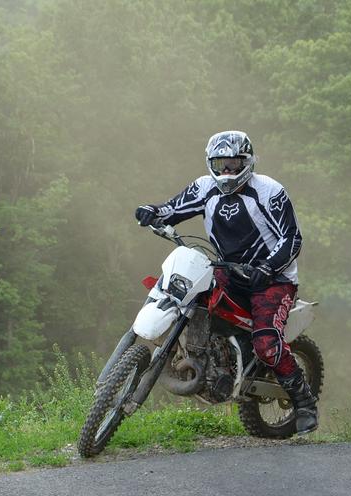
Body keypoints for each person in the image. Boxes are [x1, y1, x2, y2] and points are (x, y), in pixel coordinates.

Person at [134, 130, 318, 434]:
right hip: (227, 270)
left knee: (267, 343)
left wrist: (268, 268)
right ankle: (205, 357)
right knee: (189, 297)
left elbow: (291, 238)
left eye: (233, 163)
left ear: (247, 161)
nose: (227, 171)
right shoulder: (205, 187)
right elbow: (173, 209)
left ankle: (304, 402)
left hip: (272, 280)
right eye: (221, 164)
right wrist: (152, 211)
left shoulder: (269, 191)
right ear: (211, 163)